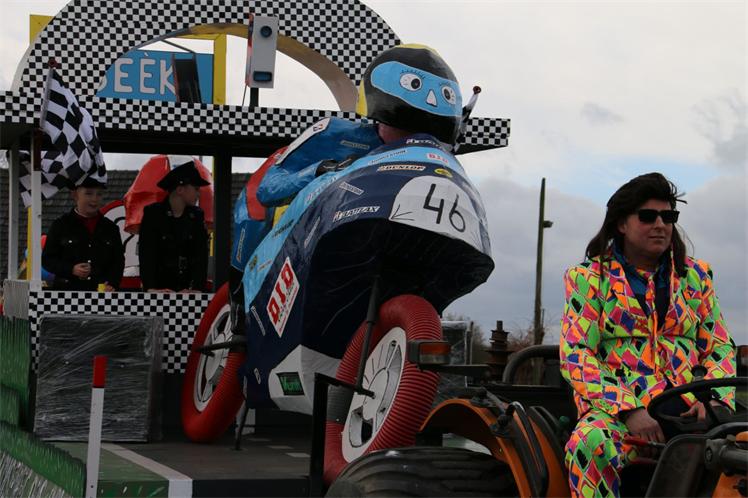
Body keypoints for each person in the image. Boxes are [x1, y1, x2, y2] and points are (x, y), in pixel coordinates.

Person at [229, 43, 465, 330]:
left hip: (357, 232)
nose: (414, 141)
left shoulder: (431, 158)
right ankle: (238, 313)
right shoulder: (333, 132)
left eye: (426, 134)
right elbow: (268, 188)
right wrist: (319, 170)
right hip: (285, 210)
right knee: (254, 211)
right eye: (405, 128)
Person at [559, 172, 736, 498]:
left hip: (691, 405)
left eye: (668, 217)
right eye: (648, 216)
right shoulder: (588, 278)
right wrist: (628, 409)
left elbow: (719, 346)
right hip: (618, 412)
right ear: (621, 224)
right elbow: (576, 354)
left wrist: (713, 399)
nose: (660, 225)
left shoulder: (696, 275)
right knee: (589, 444)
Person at [138, 159, 210, 292]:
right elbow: (147, 254)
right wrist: (151, 288)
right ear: (180, 189)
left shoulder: (197, 216)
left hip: (187, 291)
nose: (198, 194)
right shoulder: (153, 214)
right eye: (195, 189)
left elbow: (201, 257)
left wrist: (196, 289)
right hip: (159, 291)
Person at [42, 176, 124, 291]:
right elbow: (47, 260)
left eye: (99, 194)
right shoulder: (60, 225)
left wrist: (112, 283)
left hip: (100, 295)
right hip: (65, 295)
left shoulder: (111, 228)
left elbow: (118, 262)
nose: (94, 199)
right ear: (75, 195)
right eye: (89, 194)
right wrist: (71, 269)